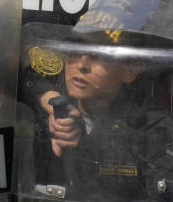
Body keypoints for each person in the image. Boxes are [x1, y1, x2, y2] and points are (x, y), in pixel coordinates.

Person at [26, 31, 173, 201]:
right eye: (75, 49)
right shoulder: (56, 100)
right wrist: (45, 98)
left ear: (130, 71)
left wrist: (86, 145)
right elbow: (9, 61)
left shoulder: (153, 128)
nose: (82, 65)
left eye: (100, 54)